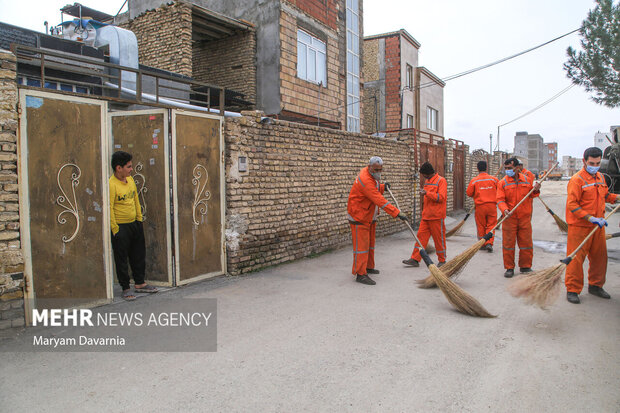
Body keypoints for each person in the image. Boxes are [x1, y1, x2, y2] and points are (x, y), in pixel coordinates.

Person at [564, 147, 618, 304]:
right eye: (592, 163)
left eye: (598, 163)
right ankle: (573, 289)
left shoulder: (600, 177)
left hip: (598, 226)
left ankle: (595, 286)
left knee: (600, 258)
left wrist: (617, 198)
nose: (595, 166)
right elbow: (572, 205)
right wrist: (590, 218)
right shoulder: (577, 180)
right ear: (584, 161)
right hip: (580, 227)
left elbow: (606, 195)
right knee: (575, 259)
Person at [347, 156, 408, 285]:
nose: (378, 172)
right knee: (361, 247)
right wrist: (397, 213)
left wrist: (382, 187)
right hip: (359, 216)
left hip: (369, 214)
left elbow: (374, 188)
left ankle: (368, 267)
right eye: (376, 170)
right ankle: (360, 274)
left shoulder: (371, 176)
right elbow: (378, 199)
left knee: (370, 244)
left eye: (380, 170)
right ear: (369, 167)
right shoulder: (365, 179)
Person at [110, 151, 157, 300]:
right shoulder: (111, 184)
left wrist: (139, 219)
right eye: (128, 167)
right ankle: (125, 287)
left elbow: (135, 198)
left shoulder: (129, 180)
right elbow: (109, 207)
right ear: (119, 168)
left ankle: (140, 283)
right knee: (122, 258)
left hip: (134, 224)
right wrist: (115, 228)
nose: (131, 169)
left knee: (138, 254)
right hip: (120, 227)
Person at [496, 158, 541, 277]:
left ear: (517, 168)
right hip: (509, 218)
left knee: (526, 243)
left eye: (509, 168)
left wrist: (536, 189)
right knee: (508, 244)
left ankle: (525, 266)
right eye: (505, 168)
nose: (507, 171)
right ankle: (509, 268)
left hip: (524, 218)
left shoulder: (526, 180)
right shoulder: (502, 183)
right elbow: (500, 199)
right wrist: (504, 209)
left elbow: (532, 195)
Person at [403, 162, 447, 267]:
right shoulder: (427, 181)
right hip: (426, 215)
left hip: (436, 216)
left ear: (427, 173)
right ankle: (415, 259)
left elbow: (441, 197)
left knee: (439, 240)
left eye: (423, 174)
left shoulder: (441, 181)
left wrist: (427, 193)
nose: (422, 176)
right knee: (420, 238)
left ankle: (442, 260)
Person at [466, 160, 499, 252]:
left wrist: (477, 194)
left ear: (477, 169)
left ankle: (482, 243)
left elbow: (469, 193)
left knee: (481, 225)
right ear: (486, 167)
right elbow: (500, 190)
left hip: (480, 206)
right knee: (491, 225)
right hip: (492, 206)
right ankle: (489, 243)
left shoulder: (474, 181)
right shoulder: (494, 179)